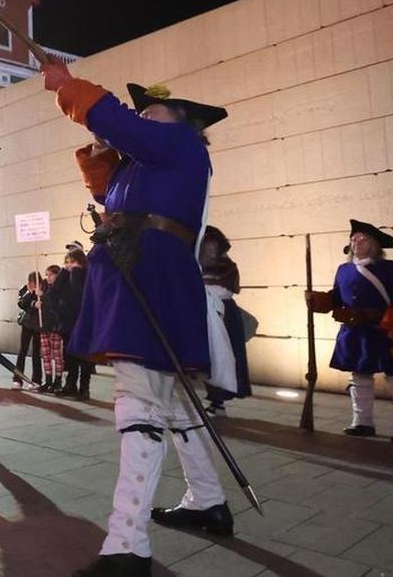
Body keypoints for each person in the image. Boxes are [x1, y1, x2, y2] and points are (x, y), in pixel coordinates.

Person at [46, 60, 231, 576]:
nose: (143, 119)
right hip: (137, 275)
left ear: (184, 122)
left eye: (153, 113)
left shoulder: (183, 145)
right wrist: (103, 156)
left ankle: (127, 546)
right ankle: (208, 501)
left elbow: (120, 125)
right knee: (171, 403)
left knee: (140, 403)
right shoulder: (145, 162)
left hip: (151, 276)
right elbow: (108, 196)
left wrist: (71, 89)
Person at [307, 220, 393, 444]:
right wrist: (318, 300)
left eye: (363, 239)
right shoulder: (344, 269)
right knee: (359, 379)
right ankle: (362, 422)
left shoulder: (391, 269)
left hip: (385, 330)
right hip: (354, 332)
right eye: (353, 239)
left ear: (376, 245)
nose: (356, 242)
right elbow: (338, 297)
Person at [200, 227, 250, 415]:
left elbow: (228, 289)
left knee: (221, 359)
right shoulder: (197, 264)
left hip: (221, 313)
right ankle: (215, 400)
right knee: (211, 359)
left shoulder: (227, 266)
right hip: (209, 310)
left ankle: (218, 401)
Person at [58, 247, 95, 400]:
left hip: (83, 322)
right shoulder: (65, 275)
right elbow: (55, 294)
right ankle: (70, 384)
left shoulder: (86, 275)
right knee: (69, 356)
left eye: (72, 262)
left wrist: (76, 273)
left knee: (84, 357)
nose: (69, 266)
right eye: (67, 263)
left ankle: (84, 388)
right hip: (68, 322)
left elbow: (79, 293)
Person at [37, 265, 65, 392]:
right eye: (46, 274)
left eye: (50, 275)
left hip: (55, 326)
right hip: (44, 325)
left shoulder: (60, 289)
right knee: (46, 355)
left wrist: (43, 297)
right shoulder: (44, 287)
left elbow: (54, 304)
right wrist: (36, 301)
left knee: (57, 355)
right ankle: (48, 380)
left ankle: (58, 380)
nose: (48, 277)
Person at [14, 271, 42, 389]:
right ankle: (17, 379)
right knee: (22, 351)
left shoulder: (43, 289)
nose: (32, 285)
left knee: (36, 353)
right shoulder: (24, 289)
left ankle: (36, 380)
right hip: (27, 324)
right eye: (31, 282)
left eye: (34, 282)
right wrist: (30, 295)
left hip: (39, 325)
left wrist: (40, 295)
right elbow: (21, 303)